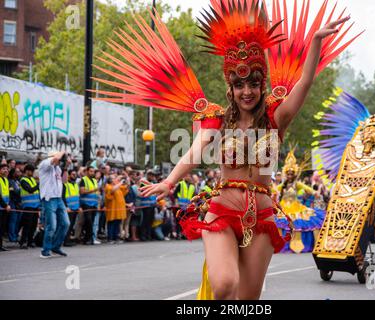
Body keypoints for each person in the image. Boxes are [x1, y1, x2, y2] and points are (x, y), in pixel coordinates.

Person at [95, 0, 355, 300]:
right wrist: (169, 182)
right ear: (230, 87)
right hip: (222, 210)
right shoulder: (217, 120)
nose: (247, 91)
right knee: (224, 285)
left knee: (247, 299)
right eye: (239, 84)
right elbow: (194, 151)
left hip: (263, 217)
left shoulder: (275, 118)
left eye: (254, 84)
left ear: (262, 85)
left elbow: (306, 82)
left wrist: (316, 42)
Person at [276, 150, 325, 253]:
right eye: (288, 174)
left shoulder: (297, 184)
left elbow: (307, 188)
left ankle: (302, 243)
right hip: (283, 207)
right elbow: (274, 190)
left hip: (296, 207)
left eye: (291, 174)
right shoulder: (283, 185)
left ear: (294, 174)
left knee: (302, 221)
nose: (289, 176)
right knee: (279, 222)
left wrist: (315, 192)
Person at [38, 151, 70, 258]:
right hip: (49, 198)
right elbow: (55, 159)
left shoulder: (57, 168)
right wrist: (63, 152)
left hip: (58, 198)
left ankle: (55, 247)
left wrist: (66, 167)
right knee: (51, 226)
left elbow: (65, 181)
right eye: (61, 158)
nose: (61, 160)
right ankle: (45, 250)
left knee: (66, 223)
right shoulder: (44, 163)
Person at [19, 164, 41, 249]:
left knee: (33, 225)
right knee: (27, 225)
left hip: (35, 206)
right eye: (31, 171)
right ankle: (23, 242)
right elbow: (30, 190)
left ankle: (30, 242)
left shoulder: (32, 179)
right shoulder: (23, 180)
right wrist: (38, 184)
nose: (32, 173)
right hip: (28, 206)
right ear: (27, 171)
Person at [104, 174, 128, 244]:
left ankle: (116, 237)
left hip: (119, 209)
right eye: (114, 178)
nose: (116, 180)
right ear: (110, 180)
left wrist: (126, 181)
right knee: (111, 223)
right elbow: (112, 190)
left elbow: (125, 189)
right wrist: (120, 182)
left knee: (117, 223)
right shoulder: (108, 186)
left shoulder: (118, 187)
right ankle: (110, 238)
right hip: (112, 209)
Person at [79, 166, 100, 245]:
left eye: (93, 171)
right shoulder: (83, 180)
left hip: (94, 204)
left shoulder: (94, 180)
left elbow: (97, 193)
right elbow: (82, 191)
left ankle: (88, 238)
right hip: (86, 204)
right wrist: (93, 190)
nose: (92, 173)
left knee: (92, 221)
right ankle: (88, 237)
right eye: (91, 171)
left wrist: (98, 203)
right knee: (88, 221)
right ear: (87, 171)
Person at [63, 169, 82, 246]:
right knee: (68, 225)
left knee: (71, 225)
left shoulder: (76, 185)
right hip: (69, 209)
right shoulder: (65, 185)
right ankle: (66, 241)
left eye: (75, 174)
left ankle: (68, 239)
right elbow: (63, 197)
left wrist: (79, 207)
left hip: (75, 208)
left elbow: (78, 197)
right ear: (69, 175)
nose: (74, 176)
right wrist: (66, 207)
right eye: (73, 174)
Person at [138, 170, 158, 241]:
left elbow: (155, 194)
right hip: (146, 205)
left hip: (152, 205)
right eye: (151, 175)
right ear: (148, 175)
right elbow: (142, 193)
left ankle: (148, 235)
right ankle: (143, 236)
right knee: (145, 221)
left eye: (153, 176)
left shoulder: (153, 183)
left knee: (150, 221)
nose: (153, 177)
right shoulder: (143, 183)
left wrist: (156, 201)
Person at [7, 167, 22, 243]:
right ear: (13, 173)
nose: (19, 173)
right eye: (17, 172)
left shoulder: (17, 181)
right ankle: (11, 237)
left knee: (18, 221)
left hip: (19, 203)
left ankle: (16, 235)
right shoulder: (9, 181)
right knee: (13, 220)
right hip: (13, 202)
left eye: (19, 172)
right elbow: (13, 192)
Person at [0, 163, 11, 251]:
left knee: (2, 227)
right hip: (2, 207)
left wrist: (7, 205)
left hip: (4, 208)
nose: (6, 170)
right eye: (3, 169)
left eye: (7, 169)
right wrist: (5, 205)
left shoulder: (6, 180)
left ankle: (0, 245)